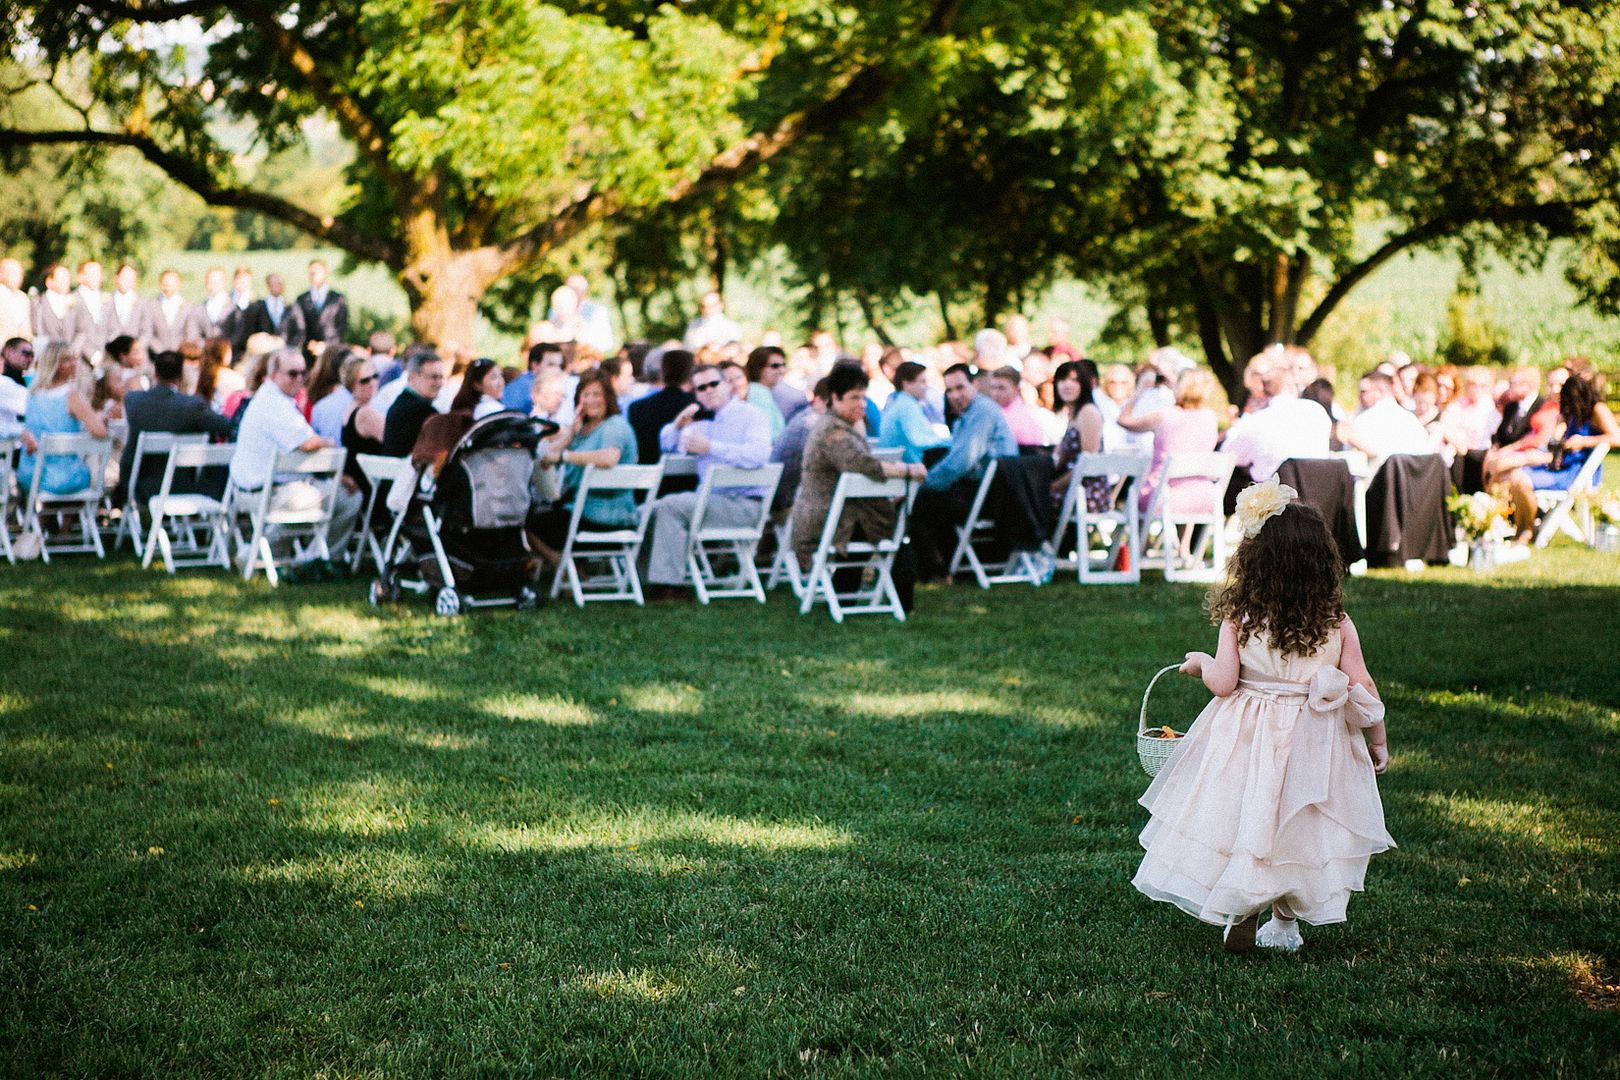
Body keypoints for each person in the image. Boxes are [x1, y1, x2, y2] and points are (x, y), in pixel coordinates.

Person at [1134, 481, 1393, 954]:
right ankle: (1285, 924)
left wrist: (1199, 665)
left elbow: (1224, 683)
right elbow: (1364, 686)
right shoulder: (1336, 621)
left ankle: (1242, 909)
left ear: (1253, 560)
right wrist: (1377, 740)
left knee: (1247, 818)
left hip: (1248, 736)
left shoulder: (1241, 616)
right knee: (1299, 824)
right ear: (1321, 562)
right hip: (1313, 739)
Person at [790, 363, 926, 594]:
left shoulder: (843, 426)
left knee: (903, 516)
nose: (861, 404)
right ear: (835, 397)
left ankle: (848, 592)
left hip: (843, 515)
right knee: (903, 520)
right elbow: (861, 463)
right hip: (825, 520)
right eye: (854, 398)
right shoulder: (831, 431)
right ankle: (895, 591)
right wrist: (907, 470)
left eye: (863, 397)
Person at [643, 362, 772, 599]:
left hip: (744, 504)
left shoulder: (751, 415)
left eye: (714, 384)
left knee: (671, 505)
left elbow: (759, 455)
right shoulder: (702, 422)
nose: (709, 390)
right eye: (701, 388)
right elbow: (668, 443)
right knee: (649, 508)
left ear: (727, 385)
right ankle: (649, 580)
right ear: (696, 394)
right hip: (711, 501)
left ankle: (668, 585)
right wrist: (677, 425)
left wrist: (712, 447)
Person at [229, 346, 362, 560]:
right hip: (264, 493)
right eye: (292, 373)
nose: (299, 378)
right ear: (273, 375)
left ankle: (259, 554)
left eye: (303, 373)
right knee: (348, 498)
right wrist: (330, 445)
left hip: (260, 488)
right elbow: (307, 443)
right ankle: (319, 559)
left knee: (319, 492)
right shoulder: (275, 404)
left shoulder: (273, 399)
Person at [1490, 358, 1619, 543]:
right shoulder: (1575, 411)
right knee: (1513, 477)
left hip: (1577, 472)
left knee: (1521, 480)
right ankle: (1522, 528)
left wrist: (1584, 441)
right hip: (1561, 464)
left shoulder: (1597, 409)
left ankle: (1526, 531)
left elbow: (1617, 437)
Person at [910, 363, 1019, 580]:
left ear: (975, 385)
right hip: (980, 488)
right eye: (949, 390)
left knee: (919, 502)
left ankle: (936, 570)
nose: (954, 395)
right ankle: (940, 567)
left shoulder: (982, 411)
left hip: (996, 496)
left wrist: (919, 484)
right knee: (929, 495)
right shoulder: (968, 413)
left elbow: (960, 462)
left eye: (960, 388)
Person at [527, 369, 639, 563]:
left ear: (608, 397)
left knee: (527, 523)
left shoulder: (615, 425)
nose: (591, 400)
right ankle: (570, 569)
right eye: (585, 395)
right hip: (582, 513)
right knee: (536, 515)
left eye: (597, 394)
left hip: (603, 519)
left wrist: (566, 456)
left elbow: (609, 458)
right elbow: (548, 456)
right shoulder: (584, 430)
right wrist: (571, 431)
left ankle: (564, 569)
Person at [118, 349, 232, 505]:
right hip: (184, 486)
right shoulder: (193, 406)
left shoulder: (134, 401)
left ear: (155, 373)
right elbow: (226, 426)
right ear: (180, 377)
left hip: (139, 485)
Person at [18, 343, 108, 495]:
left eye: (73, 358)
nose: (74, 363)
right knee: (86, 470)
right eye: (67, 360)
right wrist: (99, 417)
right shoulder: (70, 396)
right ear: (54, 364)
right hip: (62, 477)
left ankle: (47, 518)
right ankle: (71, 518)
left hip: (30, 474)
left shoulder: (33, 392)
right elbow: (100, 432)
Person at [1220, 367, 1331, 482]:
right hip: (1320, 492)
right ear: (1292, 386)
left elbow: (1228, 455)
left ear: (1264, 391)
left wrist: (1238, 425)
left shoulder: (1257, 420)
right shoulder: (1317, 411)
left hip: (1274, 495)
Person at [1049, 359, 1109, 512]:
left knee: (1031, 497)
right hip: (1072, 486)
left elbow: (1087, 463)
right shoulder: (1073, 412)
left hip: (1086, 492)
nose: (1067, 385)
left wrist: (1054, 486)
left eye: (1074, 380)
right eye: (1062, 380)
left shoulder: (1088, 412)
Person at [1340, 370, 1431, 461]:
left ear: (1380, 390)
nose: (1359, 396)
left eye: (1364, 391)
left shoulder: (1364, 421)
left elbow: (1350, 461)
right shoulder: (1413, 421)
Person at [626, 347, 695, 464]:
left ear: (662, 372)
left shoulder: (637, 408)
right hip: (691, 479)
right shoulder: (697, 405)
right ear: (691, 374)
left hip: (646, 476)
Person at [878, 361, 951, 464]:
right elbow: (919, 440)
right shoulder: (906, 405)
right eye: (922, 382)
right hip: (908, 464)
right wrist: (950, 441)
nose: (926, 387)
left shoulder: (902, 402)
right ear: (906, 384)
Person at [338, 354, 386, 496]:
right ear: (351, 384)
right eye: (364, 381)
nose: (372, 383)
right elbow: (394, 443)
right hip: (368, 487)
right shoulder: (365, 413)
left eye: (375, 376)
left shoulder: (351, 407)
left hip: (360, 482)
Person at [381, 349, 445, 457]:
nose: (439, 383)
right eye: (433, 377)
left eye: (441, 377)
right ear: (412, 377)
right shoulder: (422, 412)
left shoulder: (401, 403)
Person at [295, 260, 348, 345]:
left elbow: (342, 327)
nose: (314, 275)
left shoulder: (337, 299)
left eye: (318, 271)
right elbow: (299, 325)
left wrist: (325, 346)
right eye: (312, 272)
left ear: (325, 273)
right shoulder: (302, 299)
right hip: (309, 351)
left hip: (332, 350)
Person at [244, 273, 305, 346]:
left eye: (279, 283)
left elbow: (300, 330)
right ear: (267, 285)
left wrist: (290, 347)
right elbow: (249, 329)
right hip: (263, 351)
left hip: (286, 351)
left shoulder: (292, 307)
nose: (276, 286)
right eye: (273, 284)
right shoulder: (257, 306)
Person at [743, 345, 789, 437]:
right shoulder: (758, 393)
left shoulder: (762, 391)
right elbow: (768, 433)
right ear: (759, 368)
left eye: (783, 365)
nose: (782, 370)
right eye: (775, 366)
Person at [144, 269, 191, 353]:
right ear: (160, 284)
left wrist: (180, 349)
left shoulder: (187, 307)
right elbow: (148, 331)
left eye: (171, 284)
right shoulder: (151, 305)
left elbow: (190, 333)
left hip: (180, 354)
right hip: (156, 355)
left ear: (179, 284)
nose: (167, 287)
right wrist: (160, 350)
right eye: (165, 284)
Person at [32, 263, 75, 347]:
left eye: (68, 279)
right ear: (49, 281)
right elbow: (37, 331)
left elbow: (80, 330)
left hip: (70, 354)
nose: (66, 282)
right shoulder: (38, 303)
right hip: (47, 354)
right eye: (62, 279)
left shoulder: (73, 302)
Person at [0, 337, 34, 439]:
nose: (30, 359)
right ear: (9, 352)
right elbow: (32, 407)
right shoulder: (4, 383)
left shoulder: (27, 380)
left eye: (32, 355)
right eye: (26, 353)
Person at [0, 256, 31, 343]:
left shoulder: (23, 298)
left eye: (20, 273)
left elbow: (26, 331)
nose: (18, 277)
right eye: (13, 273)